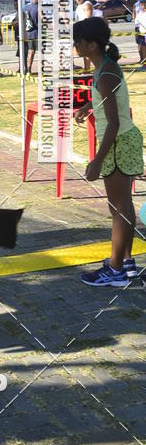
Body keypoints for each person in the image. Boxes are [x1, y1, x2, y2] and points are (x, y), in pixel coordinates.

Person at [73, 17, 142, 286]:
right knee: (123, 205)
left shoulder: (105, 74)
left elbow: (113, 122)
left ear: (92, 45)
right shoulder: (106, 68)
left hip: (117, 142)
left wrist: (97, 161)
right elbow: (109, 100)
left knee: (118, 208)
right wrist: (88, 106)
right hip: (124, 140)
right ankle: (125, 261)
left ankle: (115, 270)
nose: (75, 45)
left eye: (78, 41)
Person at [26, 0, 39, 74]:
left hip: (30, 33)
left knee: (31, 52)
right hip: (37, 33)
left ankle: (29, 69)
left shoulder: (28, 7)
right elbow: (43, 18)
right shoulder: (38, 7)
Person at [133, 0, 146, 68]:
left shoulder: (142, 13)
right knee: (142, 47)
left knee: (143, 47)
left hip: (143, 31)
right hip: (142, 32)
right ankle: (144, 64)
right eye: (142, 3)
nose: (142, 5)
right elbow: (137, 20)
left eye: (143, 3)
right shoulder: (140, 12)